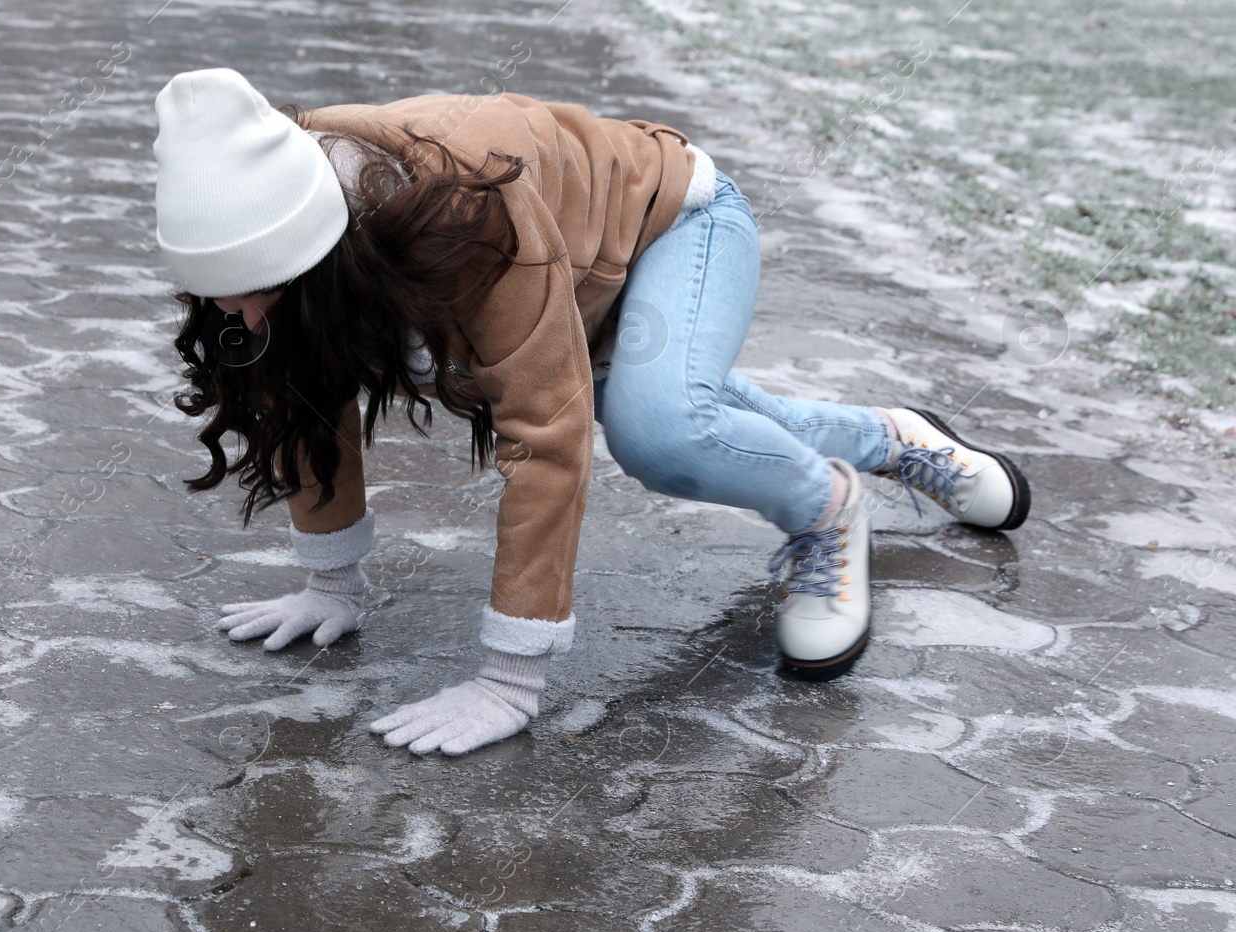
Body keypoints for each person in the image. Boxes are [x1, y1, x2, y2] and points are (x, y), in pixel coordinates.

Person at [151, 68, 1031, 757]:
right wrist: (330, 582)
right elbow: (306, 399)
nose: (231, 314)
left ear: (313, 254)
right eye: (211, 293)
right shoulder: (264, 205)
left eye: (243, 291)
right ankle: (895, 439)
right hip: (578, 272)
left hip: (675, 220)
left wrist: (508, 680)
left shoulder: (465, 217)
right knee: (698, 412)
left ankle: (830, 512)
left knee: (662, 428)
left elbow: (545, 439)